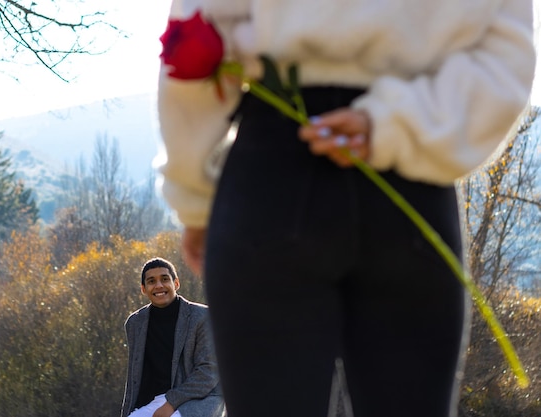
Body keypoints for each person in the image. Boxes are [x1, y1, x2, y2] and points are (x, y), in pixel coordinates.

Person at [156, 1, 536, 417]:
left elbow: (196, 40)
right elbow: (505, 56)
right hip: (409, 191)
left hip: (270, 181)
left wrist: (194, 197)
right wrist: (396, 124)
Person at [120, 257, 224, 417]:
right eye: (151, 281)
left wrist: (171, 402)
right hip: (154, 400)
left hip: (199, 397)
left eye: (164, 279)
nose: (159, 285)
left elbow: (209, 371)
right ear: (143, 288)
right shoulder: (135, 323)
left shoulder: (202, 317)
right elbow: (135, 376)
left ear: (176, 283)